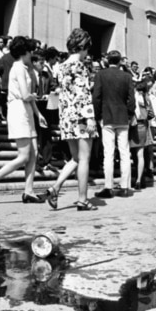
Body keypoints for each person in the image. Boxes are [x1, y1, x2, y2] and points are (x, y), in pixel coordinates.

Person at [0, 36, 48, 203]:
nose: (32, 54)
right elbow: (25, 95)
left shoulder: (25, 68)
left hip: (26, 111)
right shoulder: (18, 68)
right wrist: (35, 98)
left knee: (34, 153)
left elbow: (28, 97)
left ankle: (28, 191)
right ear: (24, 52)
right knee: (24, 155)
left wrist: (38, 114)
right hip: (18, 110)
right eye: (30, 51)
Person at [42, 28, 99, 211]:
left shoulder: (61, 66)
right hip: (81, 116)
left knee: (75, 158)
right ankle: (82, 199)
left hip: (66, 116)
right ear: (83, 47)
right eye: (87, 49)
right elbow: (83, 94)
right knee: (84, 159)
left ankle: (55, 187)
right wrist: (90, 118)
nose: (87, 53)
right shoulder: (80, 67)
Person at [92, 50, 135, 199]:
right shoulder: (127, 77)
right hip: (122, 117)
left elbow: (96, 97)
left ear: (107, 60)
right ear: (119, 61)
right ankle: (124, 187)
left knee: (108, 153)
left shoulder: (101, 75)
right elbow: (131, 99)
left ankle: (108, 186)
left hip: (107, 117)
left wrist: (97, 116)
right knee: (124, 152)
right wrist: (129, 115)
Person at [129, 78, 154, 191]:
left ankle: (130, 179)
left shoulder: (133, 97)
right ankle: (139, 179)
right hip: (143, 126)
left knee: (130, 154)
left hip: (132, 126)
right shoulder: (147, 98)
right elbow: (151, 114)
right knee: (140, 155)